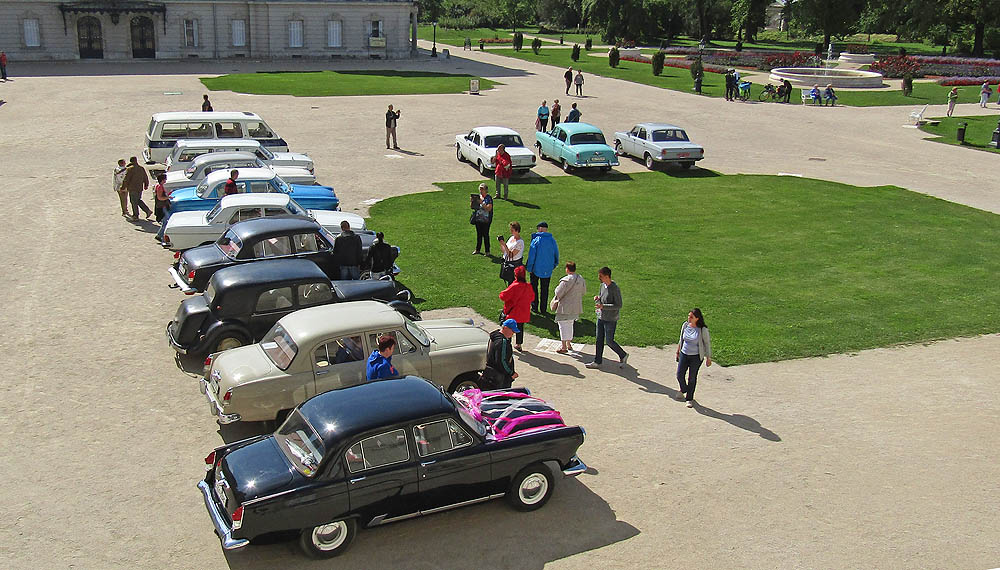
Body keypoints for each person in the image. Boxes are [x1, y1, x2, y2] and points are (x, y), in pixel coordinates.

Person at [585, 266, 628, 369]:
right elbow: (601, 297)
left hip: (611, 319)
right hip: (601, 317)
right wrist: (598, 299)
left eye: (601, 276)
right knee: (599, 339)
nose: (599, 278)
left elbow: (618, 305)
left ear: (607, 276)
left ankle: (623, 354)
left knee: (609, 341)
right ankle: (597, 361)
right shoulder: (602, 286)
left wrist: (603, 306)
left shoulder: (615, 288)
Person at [675, 308, 713, 408]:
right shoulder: (685, 325)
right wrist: (678, 350)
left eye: (691, 317)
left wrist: (708, 357)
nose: (689, 318)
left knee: (692, 378)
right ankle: (684, 389)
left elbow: (707, 344)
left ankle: (689, 398)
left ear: (697, 318)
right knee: (679, 374)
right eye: (688, 316)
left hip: (696, 357)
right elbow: (681, 339)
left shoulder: (702, 330)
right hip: (684, 353)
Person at [551, 261, 586, 353]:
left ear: (567, 269)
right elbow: (583, 291)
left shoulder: (565, 280)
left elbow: (558, 292)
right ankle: (569, 344)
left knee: (562, 325)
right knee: (570, 324)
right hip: (575, 306)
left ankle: (563, 347)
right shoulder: (580, 279)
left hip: (564, 307)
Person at [525, 221, 559, 315]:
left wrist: (529, 268)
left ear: (539, 228)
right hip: (547, 269)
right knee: (545, 289)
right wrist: (554, 264)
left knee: (534, 288)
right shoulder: (552, 240)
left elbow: (532, 256)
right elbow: (556, 254)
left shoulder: (536, 240)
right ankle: (543, 309)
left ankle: (534, 307)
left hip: (535, 269)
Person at [499, 265, 534, 351]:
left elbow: (503, 296)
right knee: (520, 328)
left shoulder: (514, 286)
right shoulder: (528, 286)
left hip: (513, 313)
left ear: (516, 275)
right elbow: (532, 298)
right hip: (523, 313)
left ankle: (507, 344)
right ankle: (519, 344)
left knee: (509, 329)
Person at [481, 319, 519, 389]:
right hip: (499, 377)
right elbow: (502, 361)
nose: (513, 333)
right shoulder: (502, 342)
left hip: (490, 373)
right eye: (512, 331)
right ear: (505, 328)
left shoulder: (494, 337)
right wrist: (511, 373)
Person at [471, 183, 493, 255]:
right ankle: (477, 249)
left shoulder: (488, 198)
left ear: (486, 190)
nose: (480, 190)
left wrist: (482, 203)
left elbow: (488, 209)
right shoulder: (477, 197)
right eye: (480, 188)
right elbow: (473, 207)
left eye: (482, 189)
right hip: (478, 219)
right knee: (479, 234)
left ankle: (487, 251)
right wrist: (472, 202)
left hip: (486, 220)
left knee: (485, 234)